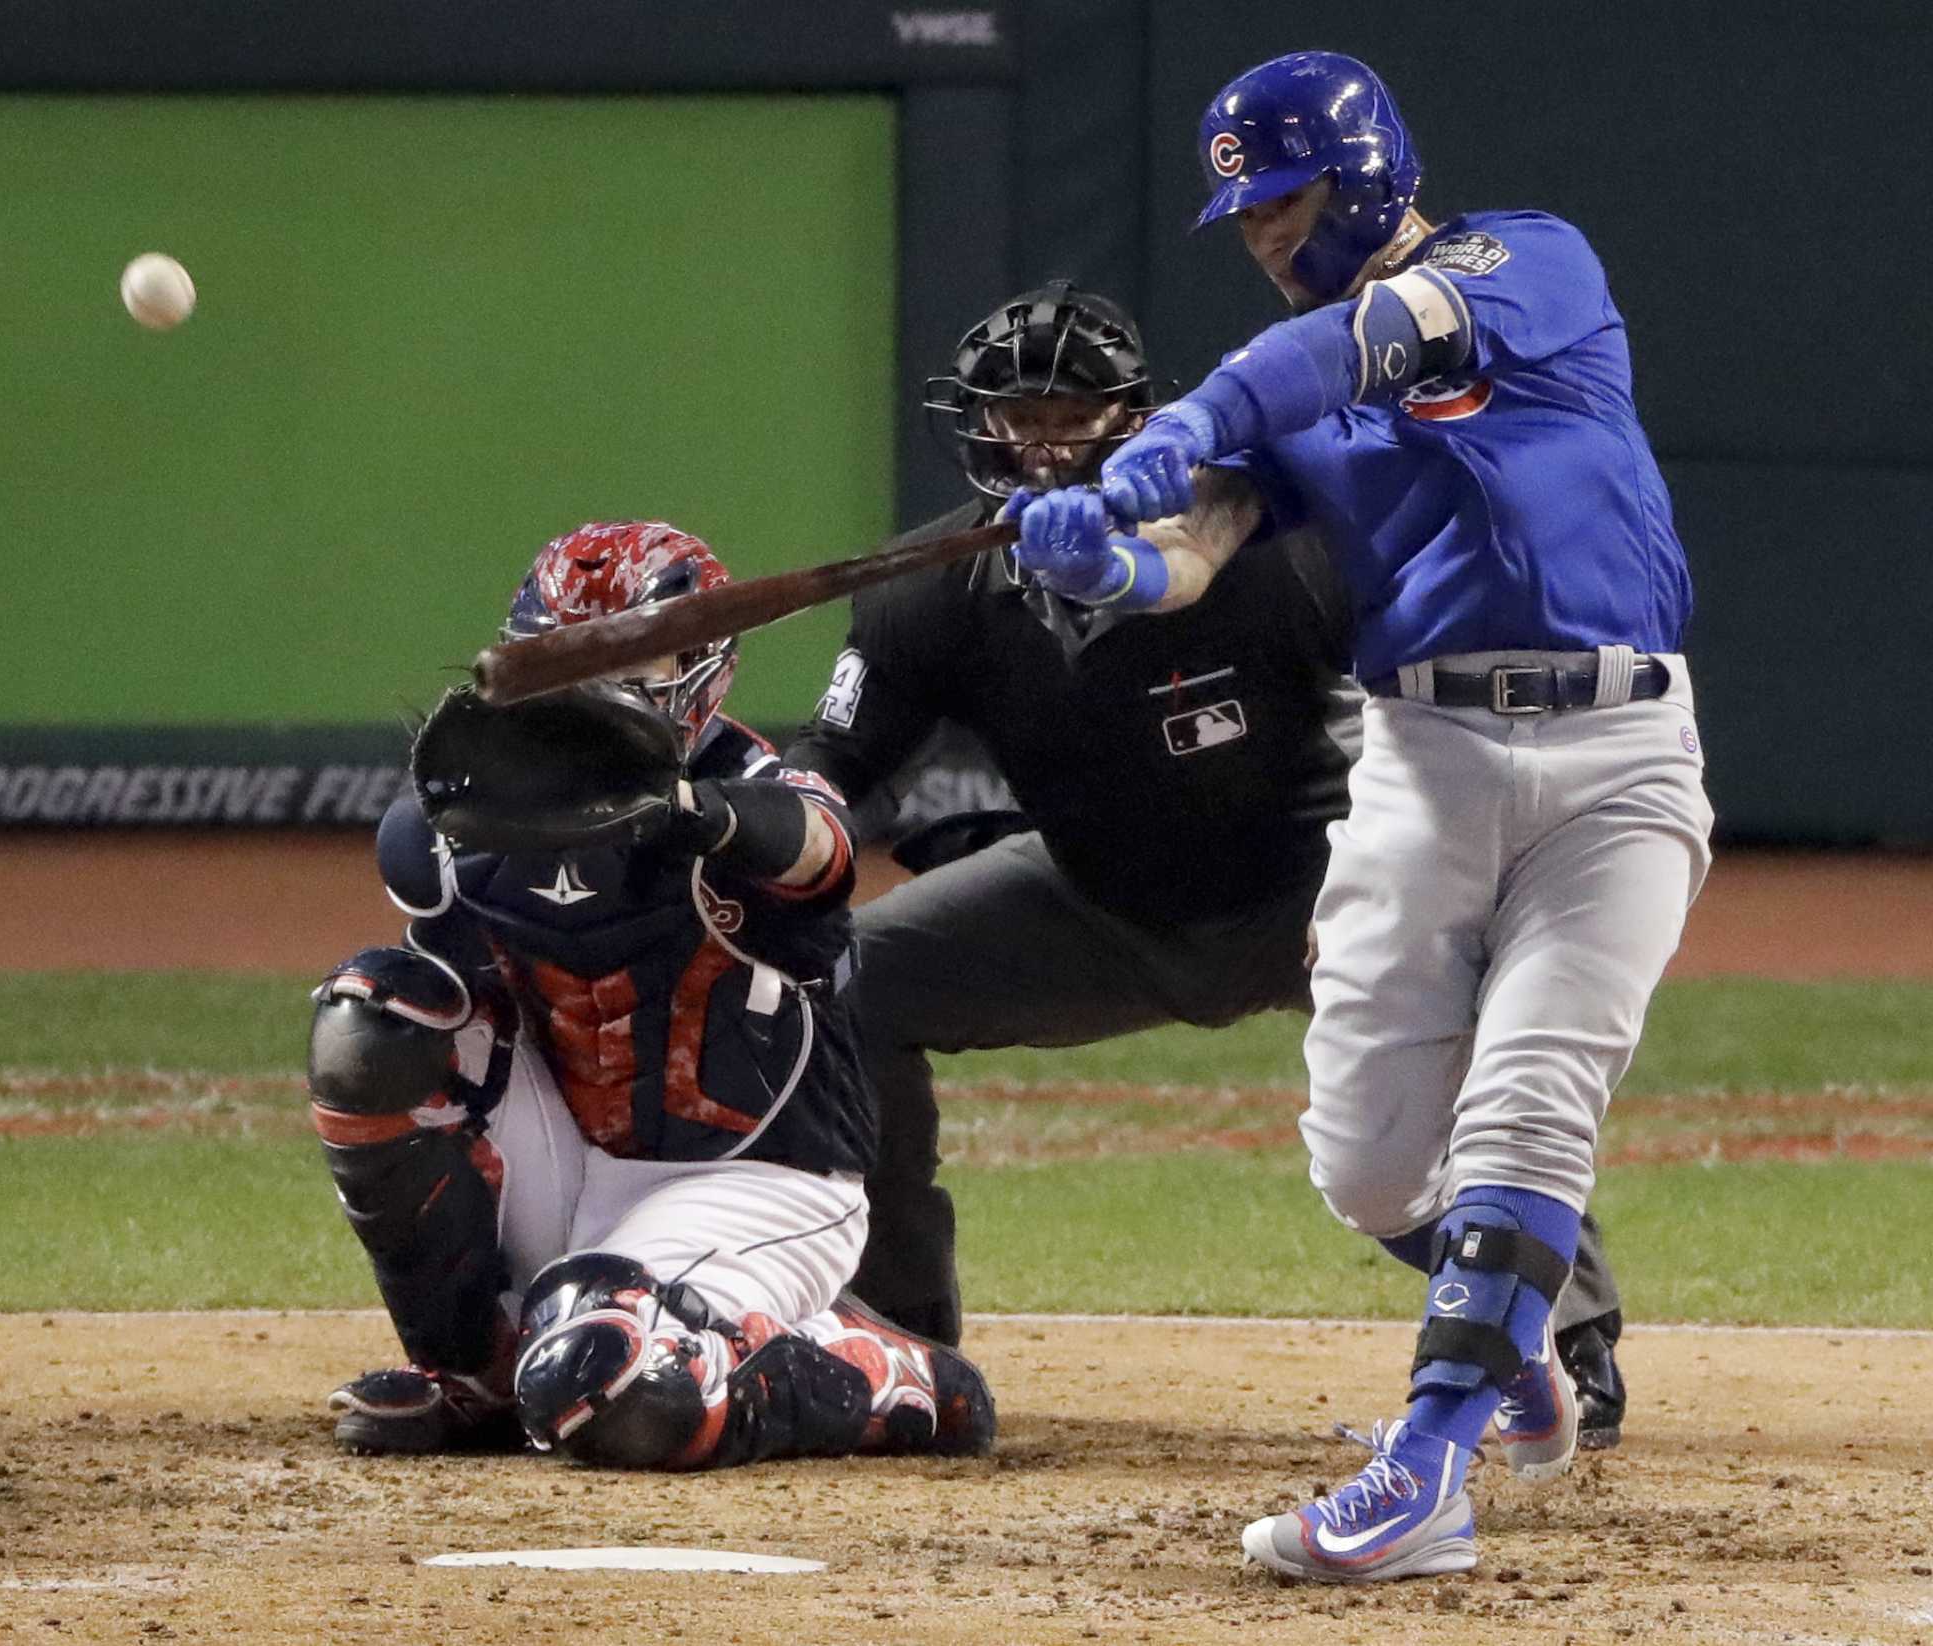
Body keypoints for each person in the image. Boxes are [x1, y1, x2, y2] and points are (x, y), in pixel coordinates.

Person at [1017, 53, 1711, 1581]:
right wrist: (1097, 564)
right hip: (1422, 760)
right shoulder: (1279, 386)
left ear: (1371, 171)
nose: (1267, 235)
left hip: (1618, 762)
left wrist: (1181, 420)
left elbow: (1362, 348)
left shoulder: (1531, 263)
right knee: (1372, 1167)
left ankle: (1426, 1468)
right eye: (1249, 214)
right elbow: (1183, 559)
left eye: (1289, 199)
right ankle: (1509, 1331)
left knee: (1532, 1096)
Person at [786, 279, 1632, 1441]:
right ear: (972, 426)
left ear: (1134, 418)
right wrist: (765, 813)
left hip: (1309, 886)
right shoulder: (928, 587)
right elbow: (836, 757)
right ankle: (904, 1344)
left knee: (1474, 1030)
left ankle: (1566, 1343)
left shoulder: (1265, 554)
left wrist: (1431, 860)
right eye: (1015, 416)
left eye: (1069, 414)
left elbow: (1420, 688)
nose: (1041, 442)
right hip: (1097, 902)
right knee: (856, 978)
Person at [305, 520, 995, 1469]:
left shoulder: (752, 792)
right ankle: (474, 1370)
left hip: (758, 1181)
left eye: (639, 651)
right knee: (370, 1019)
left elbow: (820, 849)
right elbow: (463, 1035)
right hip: (574, 1157)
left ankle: (889, 1374)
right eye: (576, 650)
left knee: (613, 1395)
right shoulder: (454, 826)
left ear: (706, 664)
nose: (605, 678)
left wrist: (688, 813)